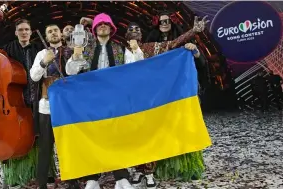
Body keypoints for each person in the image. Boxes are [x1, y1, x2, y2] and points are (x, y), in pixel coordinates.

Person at [123, 17, 206, 188]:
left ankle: (149, 171)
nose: (134, 31)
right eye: (131, 29)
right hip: (127, 101)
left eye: (138, 29)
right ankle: (137, 169)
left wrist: (194, 31)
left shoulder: (150, 47)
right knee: (134, 137)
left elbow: (174, 43)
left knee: (149, 135)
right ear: (125, 34)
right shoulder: (117, 52)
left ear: (142, 34)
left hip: (148, 100)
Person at [66, 13, 142, 189]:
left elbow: (137, 67)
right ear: (94, 29)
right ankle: (93, 178)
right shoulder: (85, 47)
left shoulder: (120, 49)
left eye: (106, 24)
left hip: (115, 100)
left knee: (116, 137)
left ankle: (121, 176)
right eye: (99, 24)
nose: (103, 26)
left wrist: (136, 49)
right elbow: (70, 71)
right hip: (90, 100)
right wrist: (76, 56)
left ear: (112, 28)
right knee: (92, 137)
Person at [0, 19, 46, 189]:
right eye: (21, 30)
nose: (24, 32)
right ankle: (14, 175)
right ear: (16, 32)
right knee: (14, 134)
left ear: (31, 32)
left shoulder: (38, 49)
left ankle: (38, 173)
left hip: (36, 97)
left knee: (37, 134)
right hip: (15, 99)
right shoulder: (9, 49)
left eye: (27, 29)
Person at [30, 23, 74, 189]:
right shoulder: (42, 53)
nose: (53, 33)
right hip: (47, 105)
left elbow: (75, 73)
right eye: (49, 32)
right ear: (46, 37)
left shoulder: (71, 50)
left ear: (61, 34)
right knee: (45, 146)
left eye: (56, 30)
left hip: (67, 105)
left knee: (68, 145)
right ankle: (41, 183)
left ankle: (72, 181)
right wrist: (43, 63)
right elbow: (34, 77)